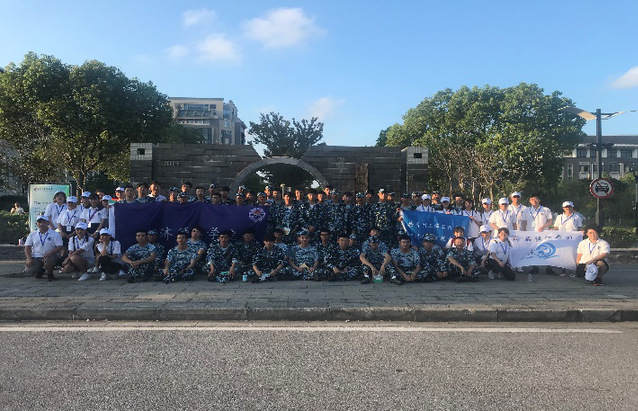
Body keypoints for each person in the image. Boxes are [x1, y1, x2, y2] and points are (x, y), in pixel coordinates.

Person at [24, 215, 64, 281]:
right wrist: (29, 259)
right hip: (36, 256)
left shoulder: (55, 234)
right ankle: (40, 270)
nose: (42, 224)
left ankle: (50, 273)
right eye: (39, 222)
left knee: (49, 261)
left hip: (51, 255)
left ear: (48, 223)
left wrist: (50, 254)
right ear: (36, 224)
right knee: (29, 270)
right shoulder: (32, 234)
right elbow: (27, 247)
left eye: (44, 222)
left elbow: (60, 247)